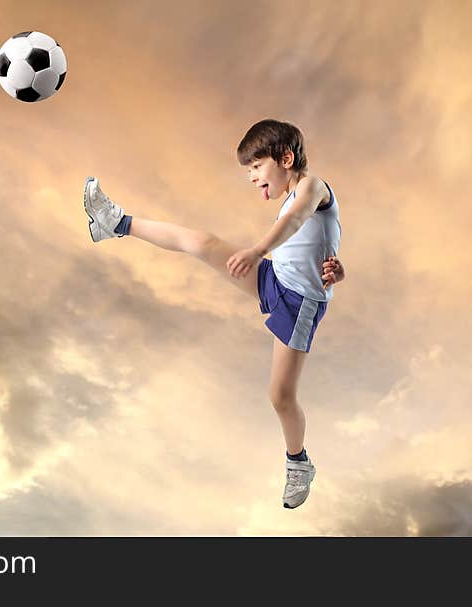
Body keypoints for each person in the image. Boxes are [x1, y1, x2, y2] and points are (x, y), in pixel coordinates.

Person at [83, 119, 344, 509]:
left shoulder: (313, 187)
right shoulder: (290, 194)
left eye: (257, 167)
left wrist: (257, 251)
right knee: (201, 242)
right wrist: (333, 269)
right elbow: (319, 246)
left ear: (286, 158)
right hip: (273, 279)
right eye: (250, 171)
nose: (253, 178)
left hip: (299, 302)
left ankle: (298, 463)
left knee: (280, 396)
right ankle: (116, 222)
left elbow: (296, 222)